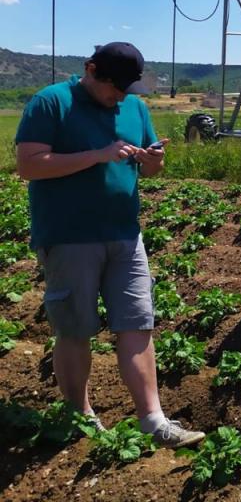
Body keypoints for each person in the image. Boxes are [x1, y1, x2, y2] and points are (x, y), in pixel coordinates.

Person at [15, 43, 204, 448]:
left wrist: (152, 161)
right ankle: (80, 415)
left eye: (126, 89)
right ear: (90, 70)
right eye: (114, 88)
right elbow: (29, 164)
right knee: (76, 329)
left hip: (124, 233)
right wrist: (98, 155)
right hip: (68, 236)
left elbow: (153, 166)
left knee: (138, 322)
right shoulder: (51, 103)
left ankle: (153, 419)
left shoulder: (135, 107)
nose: (120, 96)